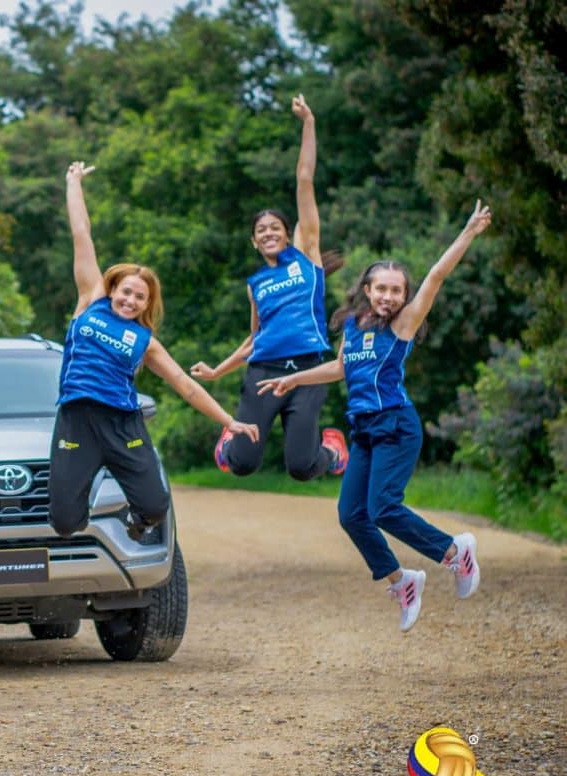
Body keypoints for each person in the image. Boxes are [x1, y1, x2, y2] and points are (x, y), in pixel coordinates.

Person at [257, 201, 492, 631]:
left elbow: (437, 275)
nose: (388, 296)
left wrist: (469, 232)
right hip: (365, 430)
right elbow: (342, 368)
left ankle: (455, 553)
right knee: (351, 515)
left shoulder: (402, 325)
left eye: (396, 290)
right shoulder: (353, 325)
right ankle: (402, 580)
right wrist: (294, 381)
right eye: (381, 288)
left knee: (383, 507)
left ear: (404, 296)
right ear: (367, 289)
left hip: (397, 427)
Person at [51, 162, 260, 539]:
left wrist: (229, 421)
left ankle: (136, 523)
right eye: (126, 291)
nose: (130, 300)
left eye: (140, 297)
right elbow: (82, 234)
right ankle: (85, 509)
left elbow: (185, 384)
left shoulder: (145, 341)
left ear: (147, 305)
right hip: (77, 419)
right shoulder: (90, 301)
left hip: (122, 422)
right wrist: (73, 183)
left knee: (155, 506)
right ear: (113, 289)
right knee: (65, 523)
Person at [189, 94, 347, 480]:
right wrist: (216, 372)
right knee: (241, 464)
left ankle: (332, 446)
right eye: (261, 230)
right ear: (255, 242)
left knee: (302, 468)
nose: (269, 232)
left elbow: (304, 178)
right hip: (263, 374)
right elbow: (253, 339)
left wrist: (308, 122)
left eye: (275, 227)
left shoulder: (306, 257)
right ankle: (230, 441)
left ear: (287, 234)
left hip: (308, 373)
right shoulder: (256, 284)